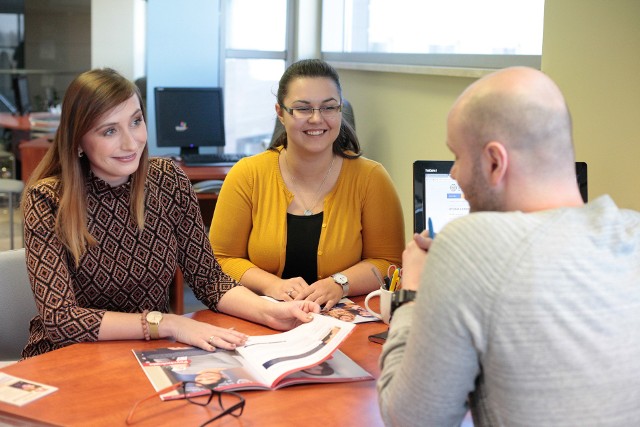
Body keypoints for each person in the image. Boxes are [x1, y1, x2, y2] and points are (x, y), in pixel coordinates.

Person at [378, 67, 640, 426]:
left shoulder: (470, 243)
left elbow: (410, 419)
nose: (453, 174)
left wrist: (412, 296)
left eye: (457, 156)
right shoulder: (633, 233)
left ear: (494, 162)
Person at [20, 68, 320, 359]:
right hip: (69, 357)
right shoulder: (47, 199)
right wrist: (167, 322)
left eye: (136, 122)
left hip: (147, 352)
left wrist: (270, 311)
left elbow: (209, 279)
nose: (131, 141)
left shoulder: (167, 179)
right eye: (109, 130)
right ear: (79, 140)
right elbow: (61, 319)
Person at [209, 59, 404, 310]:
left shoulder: (371, 178)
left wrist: (340, 283)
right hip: (262, 317)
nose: (316, 119)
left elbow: (388, 262)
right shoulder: (247, 175)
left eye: (328, 108)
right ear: (280, 112)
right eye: (303, 109)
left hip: (341, 322)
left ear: (339, 110)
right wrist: (272, 285)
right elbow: (220, 259)